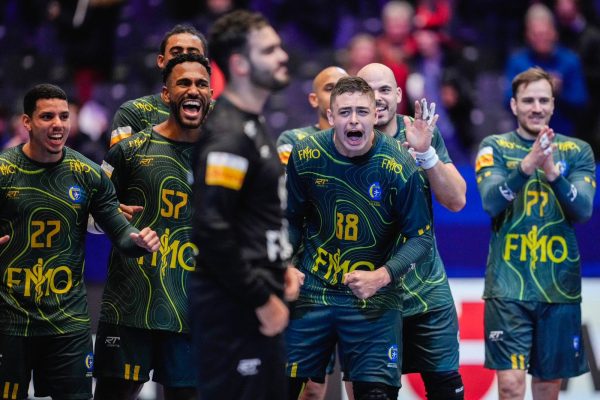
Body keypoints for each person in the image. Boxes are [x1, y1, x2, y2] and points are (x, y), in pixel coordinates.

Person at [0, 83, 160, 400]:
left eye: (64, 115)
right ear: (27, 122)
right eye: (47, 116)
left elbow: (120, 234)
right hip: (10, 323)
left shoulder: (88, 174)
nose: (58, 124)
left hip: (68, 325)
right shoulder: (3, 171)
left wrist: (138, 241)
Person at [285, 76, 434, 400]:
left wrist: (382, 277)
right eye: (345, 112)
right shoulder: (306, 154)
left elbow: (422, 240)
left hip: (375, 299)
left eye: (362, 112)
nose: (354, 120)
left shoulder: (399, 162)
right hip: (313, 292)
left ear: (374, 115)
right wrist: (283, 263)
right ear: (331, 116)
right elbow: (291, 221)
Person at [189, 10, 302, 400]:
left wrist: (280, 265)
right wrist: (261, 298)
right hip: (234, 306)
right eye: (269, 50)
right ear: (239, 64)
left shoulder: (255, 125)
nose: (282, 55)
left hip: (256, 296)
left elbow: (251, 218)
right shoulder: (228, 135)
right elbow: (210, 227)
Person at [93, 53, 212, 400]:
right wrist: (112, 219)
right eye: (184, 83)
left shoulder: (224, 155)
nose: (193, 90)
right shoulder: (127, 152)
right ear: (165, 94)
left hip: (194, 310)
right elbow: (91, 217)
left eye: (201, 83)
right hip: (131, 307)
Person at [476, 67, 596, 400]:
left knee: (546, 389)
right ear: (513, 105)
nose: (536, 107)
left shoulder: (577, 151)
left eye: (543, 100)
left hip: (558, 287)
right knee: (511, 387)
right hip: (507, 287)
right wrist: (527, 165)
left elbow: (584, 211)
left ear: (553, 105)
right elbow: (489, 202)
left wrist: (553, 173)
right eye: (528, 100)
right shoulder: (494, 147)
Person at [357, 62, 465, 400]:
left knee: (447, 392)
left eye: (385, 90)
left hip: (427, 295)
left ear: (399, 95)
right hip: (371, 300)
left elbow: (457, 200)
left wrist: (427, 155)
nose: (377, 98)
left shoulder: (420, 133)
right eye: (368, 90)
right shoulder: (344, 141)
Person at [110, 24, 208, 146]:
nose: (184, 58)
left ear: (205, 62)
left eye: (193, 54)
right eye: (176, 53)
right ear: (161, 61)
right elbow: (116, 164)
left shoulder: (218, 114)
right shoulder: (131, 114)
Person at [504, 3, 587, 137]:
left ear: (554, 33)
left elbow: (581, 101)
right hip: (526, 139)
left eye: (545, 33)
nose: (541, 39)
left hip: (562, 138)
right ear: (527, 35)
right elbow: (508, 101)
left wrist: (560, 92)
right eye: (536, 34)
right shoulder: (517, 62)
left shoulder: (570, 61)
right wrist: (533, 90)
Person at [277, 66, 348, 166]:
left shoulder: (366, 140)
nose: (338, 94)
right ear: (314, 100)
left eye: (345, 88)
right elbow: (287, 181)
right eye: (330, 88)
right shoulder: (293, 140)